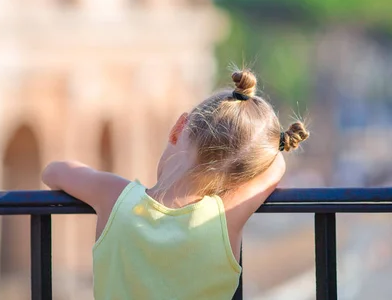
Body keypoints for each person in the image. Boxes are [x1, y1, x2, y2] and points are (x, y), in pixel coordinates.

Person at [42, 68, 309, 300]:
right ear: (241, 177)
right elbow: (276, 167)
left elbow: (53, 172)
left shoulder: (114, 196)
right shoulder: (225, 217)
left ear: (178, 128)